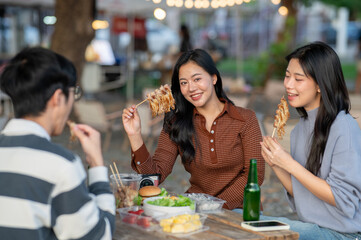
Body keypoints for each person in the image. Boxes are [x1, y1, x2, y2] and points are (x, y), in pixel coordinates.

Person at [122, 49, 265, 210]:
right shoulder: (176, 122)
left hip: (240, 210)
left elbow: (254, 176)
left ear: (214, 78)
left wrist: (213, 207)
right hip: (195, 209)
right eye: (184, 83)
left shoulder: (245, 118)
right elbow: (154, 175)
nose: (191, 88)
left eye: (197, 79)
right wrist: (134, 135)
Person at [0, 47, 115, 239]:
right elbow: (100, 235)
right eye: (74, 93)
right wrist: (96, 164)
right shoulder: (61, 165)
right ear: (58, 98)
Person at [261, 42, 361, 240]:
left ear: (320, 85)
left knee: (261, 232)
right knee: (243, 222)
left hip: (343, 234)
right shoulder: (300, 129)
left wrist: (289, 163)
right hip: (312, 227)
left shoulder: (343, 126)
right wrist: (276, 164)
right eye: (287, 76)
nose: (288, 84)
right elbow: (302, 194)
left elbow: (342, 198)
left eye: (298, 79)